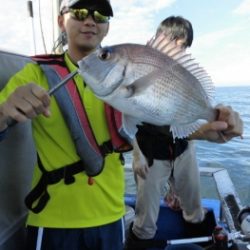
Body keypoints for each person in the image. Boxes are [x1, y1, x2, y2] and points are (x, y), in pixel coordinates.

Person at [0, 0, 132, 249]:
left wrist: (207, 128)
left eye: (100, 15)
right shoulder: (34, 74)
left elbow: (161, 124)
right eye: (80, 13)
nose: (90, 20)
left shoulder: (127, 78)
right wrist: (5, 110)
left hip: (113, 215)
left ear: (107, 28)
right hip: (53, 221)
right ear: (61, 21)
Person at [124, 16, 243, 250]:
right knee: (145, 219)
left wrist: (214, 121)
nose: (180, 47)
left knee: (194, 207)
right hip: (151, 153)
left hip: (183, 147)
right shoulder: (141, 67)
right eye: (175, 40)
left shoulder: (182, 74)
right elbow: (127, 118)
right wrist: (137, 154)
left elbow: (184, 120)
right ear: (161, 39)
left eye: (185, 44)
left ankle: (201, 242)